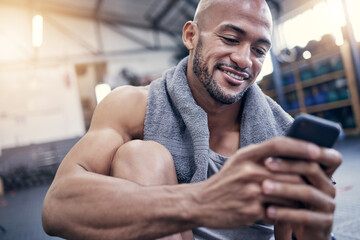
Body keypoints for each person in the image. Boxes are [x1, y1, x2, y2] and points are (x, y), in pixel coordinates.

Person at [42, 0, 342, 239]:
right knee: (141, 155)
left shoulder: (282, 134)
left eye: (259, 50)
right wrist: (203, 201)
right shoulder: (134, 105)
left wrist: (315, 228)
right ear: (191, 36)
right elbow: (58, 206)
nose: (244, 59)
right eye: (230, 38)